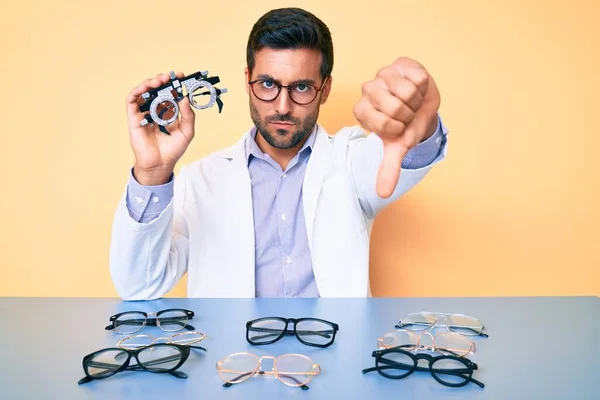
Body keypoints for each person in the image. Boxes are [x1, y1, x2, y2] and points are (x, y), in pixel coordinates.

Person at [110, 7, 447, 299]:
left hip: (334, 360)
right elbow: (139, 284)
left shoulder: (348, 160)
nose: (282, 107)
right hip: (233, 365)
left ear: (324, 89)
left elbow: (398, 155)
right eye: (268, 84)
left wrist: (422, 120)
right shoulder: (201, 179)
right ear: (247, 80)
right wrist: (152, 172)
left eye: (301, 87)